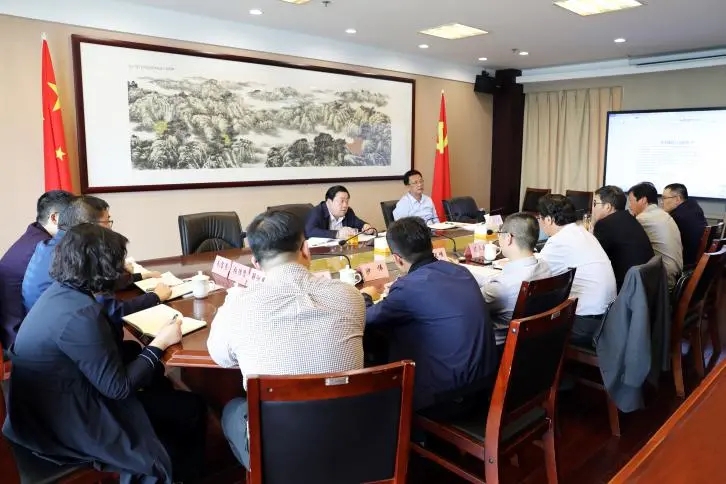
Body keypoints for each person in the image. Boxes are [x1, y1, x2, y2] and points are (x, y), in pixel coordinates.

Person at [2, 224, 207, 483]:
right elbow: (118, 389)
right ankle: (183, 474)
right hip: (66, 423)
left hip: (38, 411)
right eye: (117, 263)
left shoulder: (60, 292)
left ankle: (168, 445)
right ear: (103, 267)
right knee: (192, 407)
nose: (121, 269)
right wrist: (160, 343)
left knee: (139, 360)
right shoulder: (82, 314)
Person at [207, 209, 366, 469]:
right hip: (354, 440)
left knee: (231, 410)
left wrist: (234, 299)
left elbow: (220, 357)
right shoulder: (350, 296)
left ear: (256, 264)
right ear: (306, 249)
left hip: (280, 456)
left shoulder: (238, 306)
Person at [360, 217, 497, 416]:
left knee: (376, 343)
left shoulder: (409, 287)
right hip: (485, 385)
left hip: (447, 398)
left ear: (397, 259)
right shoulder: (461, 271)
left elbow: (365, 318)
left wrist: (365, 296)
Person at [22, 196, 170, 323]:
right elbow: (112, 311)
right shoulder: (75, 253)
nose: (110, 229)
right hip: (67, 332)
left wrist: (138, 277)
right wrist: (155, 297)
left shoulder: (51, 245)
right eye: (107, 221)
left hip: (49, 325)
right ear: (89, 225)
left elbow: (98, 283)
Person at [537, 194, 617, 343]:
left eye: (539, 218)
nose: (540, 223)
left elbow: (534, 275)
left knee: (531, 324)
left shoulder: (558, 241)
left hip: (585, 324)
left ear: (548, 219)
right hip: (606, 318)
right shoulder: (583, 232)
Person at [0, 190, 74, 348]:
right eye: (74, 216)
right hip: (20, 337)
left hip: (15, 327)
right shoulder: (45, 247)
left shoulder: (34, 235)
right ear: (55, 218)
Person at [479, 213, 551, 345]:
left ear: (508, 238)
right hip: (533, 344)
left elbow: (467, 306)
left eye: (500, 234)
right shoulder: (545, 267)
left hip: (497, 347)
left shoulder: (501, 287)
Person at [592, 186, 655, 291]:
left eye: (595, 203)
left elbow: (594, 261)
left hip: (626, 289)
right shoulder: (630, 218)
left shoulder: (604, 225)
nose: (592, 208)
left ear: (607, 207)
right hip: (645, 287)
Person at [628, 182, 683, 288]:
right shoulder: (663, 214)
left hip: (663, 281)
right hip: (677, 276)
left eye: (631, 200)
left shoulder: (643, 218)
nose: (630, 205)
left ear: (643, 200)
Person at [662, 183, 707, 266]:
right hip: (697, 260)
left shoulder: (678, 217)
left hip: (685, 262)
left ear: (677, 199)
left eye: (664, 198)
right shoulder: (694, 207)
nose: (662, 202)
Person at [305, 185, 371, 239]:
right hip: (321, 250)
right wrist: (337, 234)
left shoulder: (348, 212)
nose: (345, 205)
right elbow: (310, 232)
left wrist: (366, 226)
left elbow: (359, 223)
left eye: (347, 201)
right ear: (329, 202)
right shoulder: (317, 211)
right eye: (341, 201)